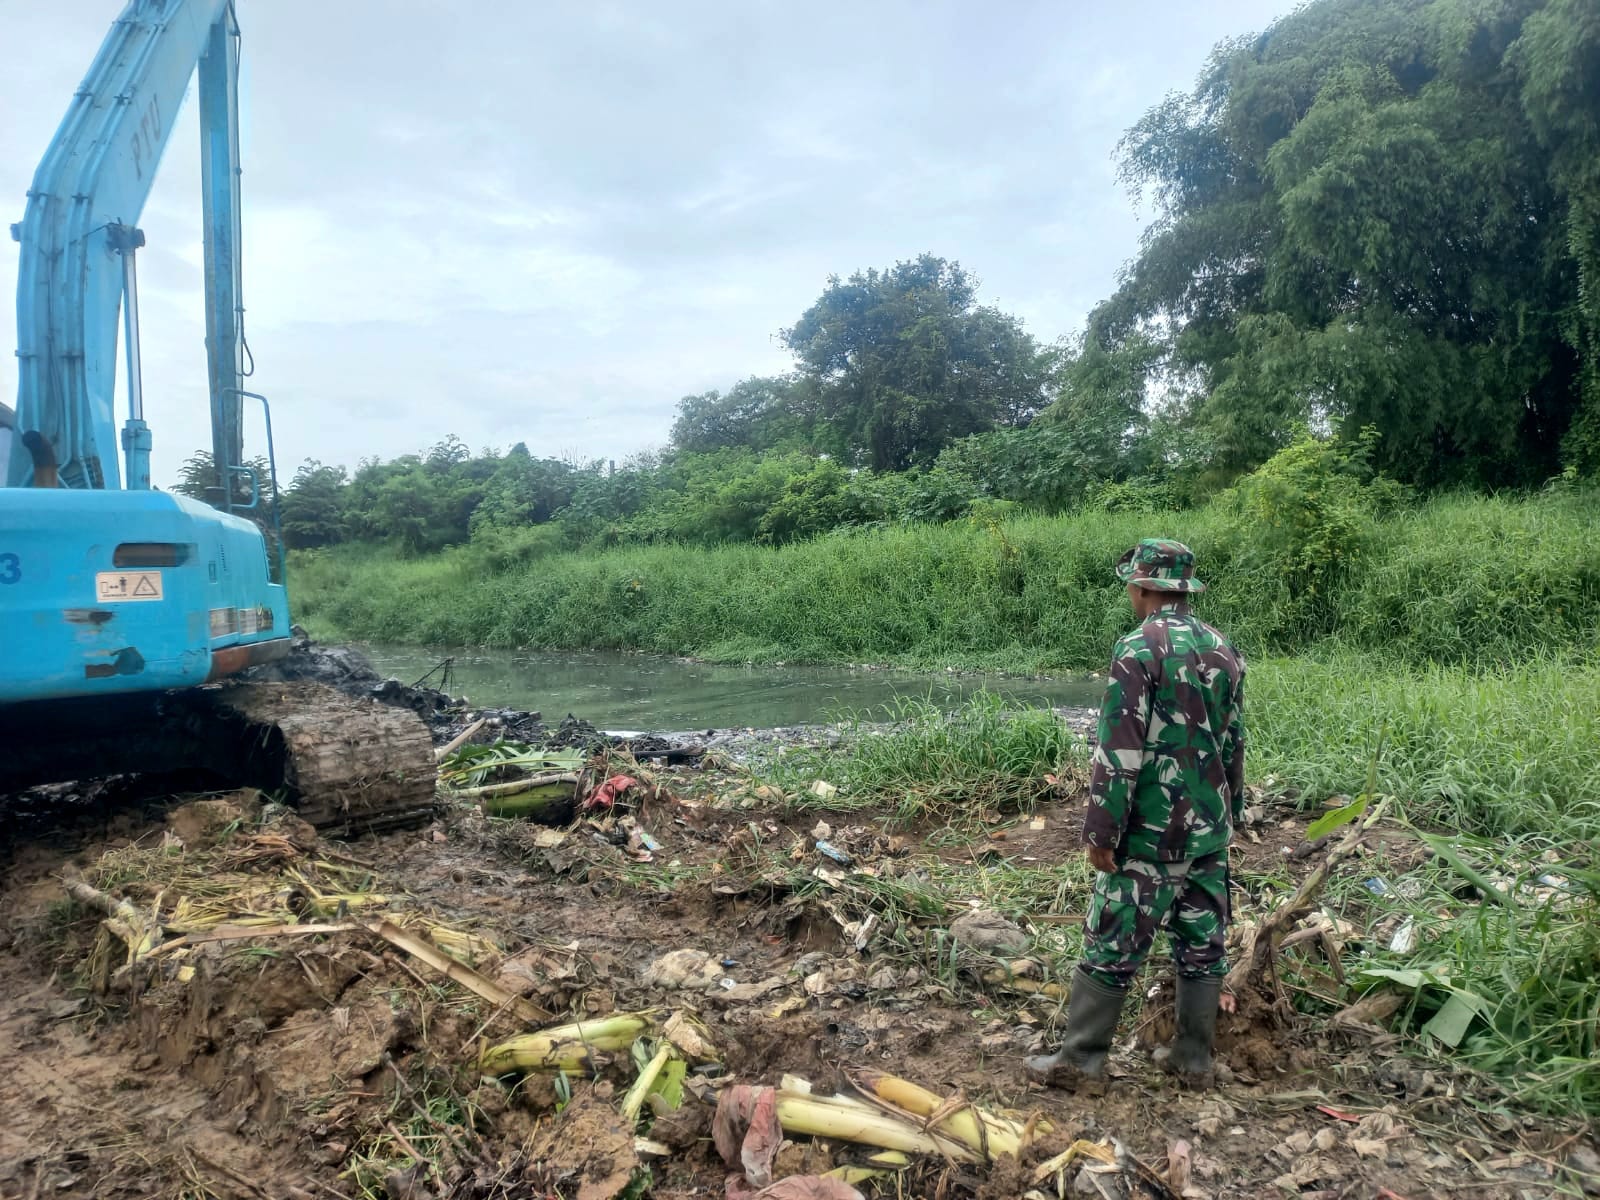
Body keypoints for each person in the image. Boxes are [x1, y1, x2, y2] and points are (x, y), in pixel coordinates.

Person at [1025, 538, 1245, 1090]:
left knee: (1112, 941)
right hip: (1209, 832)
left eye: (1132, 584)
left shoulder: (1138, 649)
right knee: (1201, 942)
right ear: (1184, 589)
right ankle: (1193, 1059)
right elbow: (1235, 742)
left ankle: (1080, 1062)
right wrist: (1230, 816)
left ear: (1144, 587)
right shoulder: (1223, 648)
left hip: (1151, 834)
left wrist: (1101, 829)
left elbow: (1118, 752)